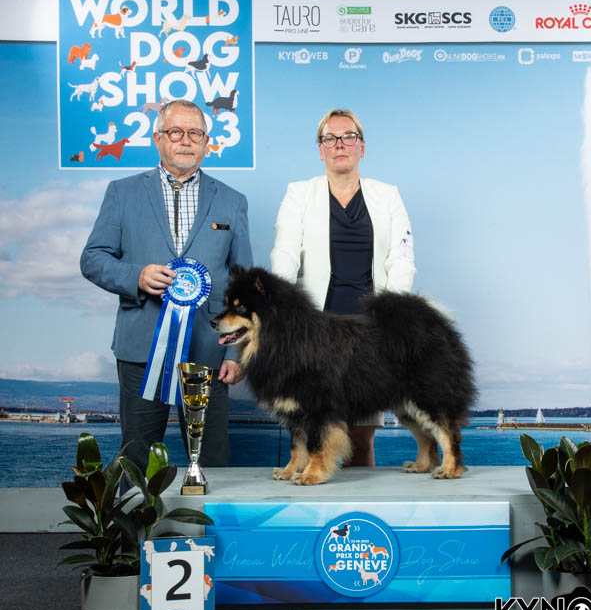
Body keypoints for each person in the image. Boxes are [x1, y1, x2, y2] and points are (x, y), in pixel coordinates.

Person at [81, 99, 253, 472]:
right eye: (176, 132)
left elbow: (244, 286)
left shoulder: (232, 201)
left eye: (195, 133)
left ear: (206, 143)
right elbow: (92, 259)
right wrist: (136, 277)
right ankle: (137, 515)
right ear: (158, 138)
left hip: (209, 349)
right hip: (141, 347)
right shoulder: (122, 192)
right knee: (136, 458)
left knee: (211, 459)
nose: (186, 140)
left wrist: (236, 352)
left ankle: (208, 514)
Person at [270, 108, 415, 466]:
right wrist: (283, 314)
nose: (339, 144)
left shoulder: (388, 195)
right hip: (313, 332)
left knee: (361, 438)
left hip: (368, 332)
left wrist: (390, 318)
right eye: (330, 138)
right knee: (308, 427)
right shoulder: (298, 194)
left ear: (361, 147)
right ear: (320, 149)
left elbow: (401, 260)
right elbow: (285, 253)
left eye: (349, 137)